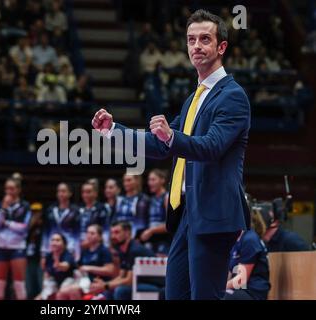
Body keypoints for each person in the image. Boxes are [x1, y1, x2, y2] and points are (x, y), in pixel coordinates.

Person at [92, 9, 251, 300]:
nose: (197, 46)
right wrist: (112, 130)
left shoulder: (233, 96)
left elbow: (210, 147)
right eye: (191, 40)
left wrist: (171, 136)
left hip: (214, 215)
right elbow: (159, 145)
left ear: (221, 47)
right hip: (187, 215)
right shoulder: (195, 97)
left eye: (205, 39)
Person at [89, 221, 157, 300]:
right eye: (112, 233)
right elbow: (121, 276)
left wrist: (106, 285)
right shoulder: (123, 250)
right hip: (138, 282)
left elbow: (129, 280)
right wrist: (105, 285)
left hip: (153, 283)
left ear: (127, 233)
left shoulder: (135, 250)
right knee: (108, 291)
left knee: (121, 291)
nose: (113, 236)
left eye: (117, 232)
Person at [0, 177, 32, 300]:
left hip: (17, 247)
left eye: (12, 188)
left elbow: (24, 228)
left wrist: (7, 223)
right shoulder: (0, 205)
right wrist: (3, 208)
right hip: (1, 247)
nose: (9, 191)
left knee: (18, 283)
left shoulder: (25, 206)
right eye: (7, 188)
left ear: (18, 190)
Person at [56, 224, 115, 300]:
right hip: (83, 279)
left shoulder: (104, 250)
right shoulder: (85, 251)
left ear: (100, 237)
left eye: (92, 233)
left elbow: (110, 270)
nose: (89, 235)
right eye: (87, 233)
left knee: (73, 291)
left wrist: (89, 268)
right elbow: (78, 266)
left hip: (97, 281)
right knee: (62, 293)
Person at [224, 209, 270, 300]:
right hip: (239, 290)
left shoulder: (250, 239)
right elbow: (229, 272)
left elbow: (241, 280)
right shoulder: (235, 239)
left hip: (252, 292)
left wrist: (220, 289)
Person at [41, 183, 80, 258]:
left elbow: (77, 234)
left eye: (63, 191)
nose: (60, 194)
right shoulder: (50, 210)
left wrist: (77, 252)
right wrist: (43, 253)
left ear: (70, 193)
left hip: (69, 248)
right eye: (59, 191)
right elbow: (46, 232)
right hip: (52, 248)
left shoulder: (75, 211)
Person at [140, 169, 172, 256]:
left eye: (153, 179)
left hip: (164, 240)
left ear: (162, 180)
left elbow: (170, 224)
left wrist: (151, 231)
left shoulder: (166, 197)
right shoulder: (150, 199)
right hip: (151, 240)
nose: (150, 183)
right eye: (149, 180)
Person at [36, 233, 76, 300]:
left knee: (61, 294)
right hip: (55, 282)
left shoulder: (67, 255)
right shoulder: (48, 256)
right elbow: (47, 274)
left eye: (57, 240)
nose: (54, 243)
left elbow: (65, 267)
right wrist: (43, 293)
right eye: (53, 240)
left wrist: (58, 264)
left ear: (64, 244)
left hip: (69, 281)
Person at [112, 174, 150, 239]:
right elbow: (114, 220)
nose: (126, 183)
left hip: (136, 237)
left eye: (129, 180)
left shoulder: (144, 199)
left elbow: (143, 221)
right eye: (124, 181)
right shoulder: (119, 199)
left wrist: (137, 237)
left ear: (137, 181)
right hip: (118, 237)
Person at [78, 182, 110, 249]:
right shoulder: (79, 209)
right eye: (83, 192)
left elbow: (106, 231)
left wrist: (90, 242)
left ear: (95, 194)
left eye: (88, 192)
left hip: (96, 246)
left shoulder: (102, 208)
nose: (85, 195)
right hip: (79, 245)